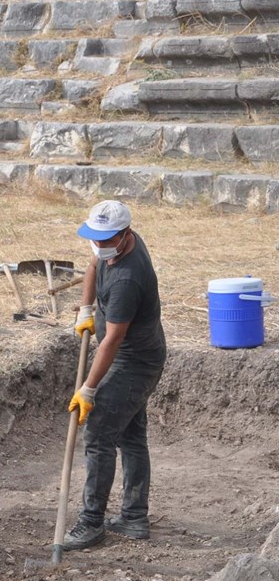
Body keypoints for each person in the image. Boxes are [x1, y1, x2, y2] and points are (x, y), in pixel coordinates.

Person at [64, 200, 167, 550]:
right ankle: (134, 517)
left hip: (134, 361)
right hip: (135, 353)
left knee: (98, 434)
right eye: (96, 237)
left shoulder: (128, 278)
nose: (100, 244)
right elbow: (94, 263)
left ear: (124, 235)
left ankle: (92, 523)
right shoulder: (114, 246)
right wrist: (87, 308)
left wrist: (89, 389)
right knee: (131, 435)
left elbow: (112, 341)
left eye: (106, 239)